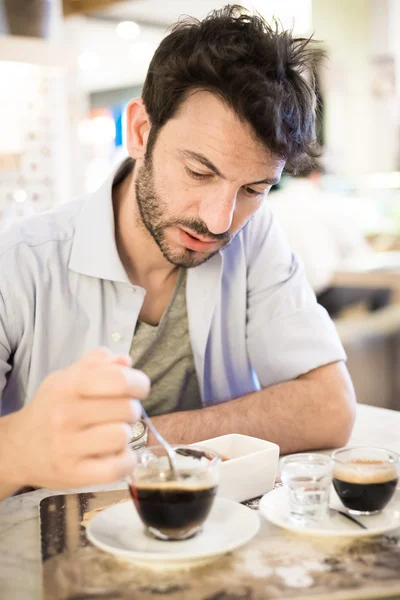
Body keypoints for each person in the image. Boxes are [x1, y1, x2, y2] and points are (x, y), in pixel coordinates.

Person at [0, 5, 356, 501]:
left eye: (254, 188)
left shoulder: (253, 236)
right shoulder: (18, 262)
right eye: (199, 171)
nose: (217, 221)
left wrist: (138, 441)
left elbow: (331, 406)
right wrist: (21, 448)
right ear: (141, 132)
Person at [270, 166, 392, 316]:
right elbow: (357, 250)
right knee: (382, 286)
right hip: (321, 293)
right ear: (316, 176)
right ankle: (372, 336)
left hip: (283, 295)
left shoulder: (271, 202)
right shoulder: (327, 202)